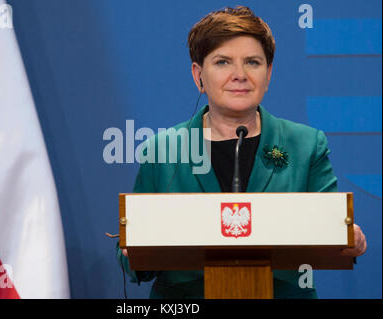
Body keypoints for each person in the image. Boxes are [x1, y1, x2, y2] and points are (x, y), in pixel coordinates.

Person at [116, 6, 366, 299]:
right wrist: (133, 253)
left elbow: (332, 227)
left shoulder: (306, 144)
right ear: (198, 75)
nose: (239, 75)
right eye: (223, 62)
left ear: (268, 73)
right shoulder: (162, 150)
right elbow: (130, 249)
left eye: (252, 62)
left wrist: (349, 237)